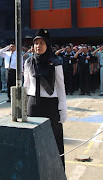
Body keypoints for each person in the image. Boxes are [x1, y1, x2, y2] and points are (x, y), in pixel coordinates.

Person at [23, 29, 67, 167]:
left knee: (54, 140)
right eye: (36, 43)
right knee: (32, 140)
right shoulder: (29, 62)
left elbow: (61, 87)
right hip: (33, 104)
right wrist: (22, 107)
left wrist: (63, 109)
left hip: (50, 105)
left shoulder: (55, 62)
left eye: (42, 43)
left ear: (47, 44)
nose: (38, 46)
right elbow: (26, 85)